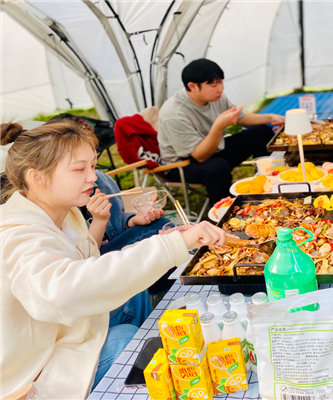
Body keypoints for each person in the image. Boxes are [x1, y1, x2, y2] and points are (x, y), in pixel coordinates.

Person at [0, 121, 228, 398]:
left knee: (132, 289)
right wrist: (170, 245)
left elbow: (91, 264)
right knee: (124, 338)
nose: (92, 178)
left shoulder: (64, 212)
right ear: (37, 177)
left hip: (65, 330)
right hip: (38, 367)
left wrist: (166, 241)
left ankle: (159, 359)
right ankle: (151, 373)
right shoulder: (18, 235)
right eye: (79, 169)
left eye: (93, 166)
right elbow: (60, 295)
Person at [158, 58, 285, 205]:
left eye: (221, 82)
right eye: (213, 85)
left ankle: (264, 185)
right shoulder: (174, 113)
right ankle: (223, 212)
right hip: (182, 165)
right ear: (192, 86)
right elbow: (200, 156)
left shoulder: (215, 96)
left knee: (263, 132)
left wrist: (270, 117)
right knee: (218, 167)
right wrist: (218, 126)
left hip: (213, 148)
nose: (220, 89)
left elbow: (241, 118)